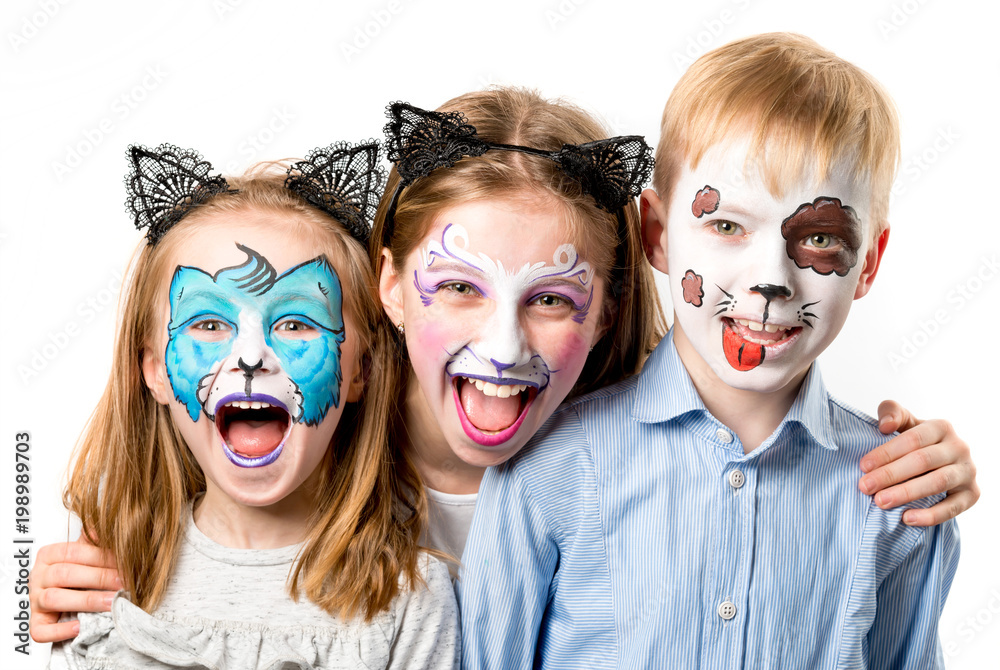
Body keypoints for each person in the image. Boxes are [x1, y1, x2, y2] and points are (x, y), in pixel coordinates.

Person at [31, 89, 977, 647]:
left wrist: (911, 459)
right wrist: (37, 592)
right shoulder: (290, 433)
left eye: (554, 300)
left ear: (610, 302)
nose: (505, 346)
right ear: (392, 286)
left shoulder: (632, 465)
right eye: (458, 290)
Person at [459, 37, 960, 668]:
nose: (771, 278)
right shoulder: (547, 470)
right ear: (658, 235)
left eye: (821, 236)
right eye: (726, 226)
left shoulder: (901, 498)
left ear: (868, 263)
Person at [47, 142, 459, 668]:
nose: (248, 356)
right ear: (153, 371)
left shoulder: (410, 600)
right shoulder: (102, 581)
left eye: (294, 323)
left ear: (363, 370)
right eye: (209, 325)